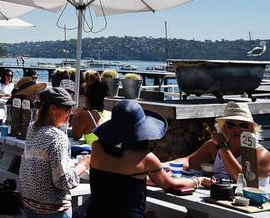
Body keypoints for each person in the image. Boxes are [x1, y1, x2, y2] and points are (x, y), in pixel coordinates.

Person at [85, 100, 199, 218]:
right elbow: (170, 184)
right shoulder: (147, 159)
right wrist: (197, 181)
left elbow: (116, 180)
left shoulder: (96, 147)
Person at [19, 88, 89, 217]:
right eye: (67, 109)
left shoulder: (32, 128)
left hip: (30, 205)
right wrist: (83, 165)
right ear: (53, 109)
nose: (71, 112)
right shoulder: (57, 137)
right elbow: (63, 181)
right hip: (52, 210)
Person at [171, 101, 270, 187]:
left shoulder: (262, 154)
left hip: (254, 206)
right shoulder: (215, 145)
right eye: (231, 124)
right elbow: (189, 161)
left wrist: (222, 146)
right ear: (225, 127)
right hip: (221, 199)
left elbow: (242, 179)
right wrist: (162, 166)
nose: (236, 129)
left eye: (243, 125)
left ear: (251, 128)